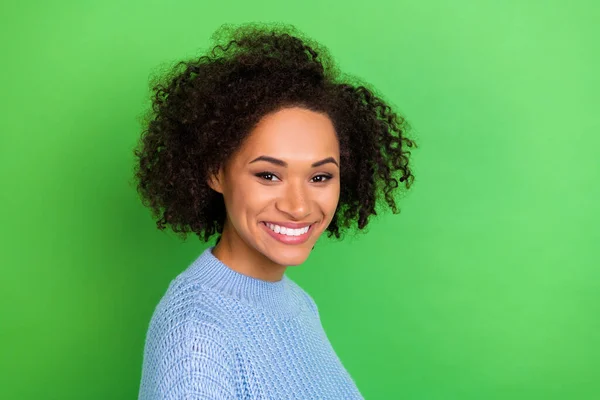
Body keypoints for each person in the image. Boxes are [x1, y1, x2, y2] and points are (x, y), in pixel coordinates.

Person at [133, 22, 417, 399]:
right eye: (269, 175)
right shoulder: (195, 338)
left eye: (320, 177)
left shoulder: (295, 301)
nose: (298, 206)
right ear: (215, 172)